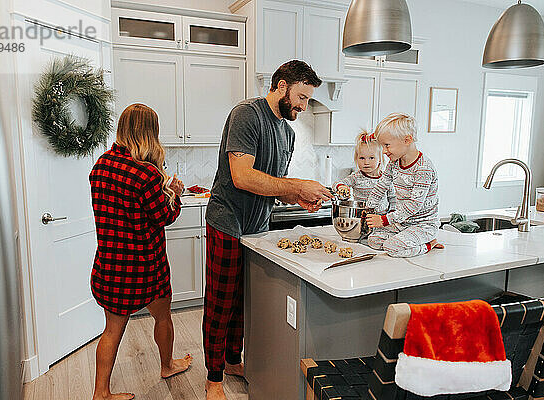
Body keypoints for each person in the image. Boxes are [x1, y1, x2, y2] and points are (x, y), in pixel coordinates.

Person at [203, 60, 332, 400]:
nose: (304, 107)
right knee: (221, 302)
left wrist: (297, 196)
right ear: (280, 86)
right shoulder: (247, 115)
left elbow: (271, 185)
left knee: (245, 302)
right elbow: (242, 177)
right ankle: (213, 377)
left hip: (259, 230)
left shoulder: (287, 131)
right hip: (228, 222)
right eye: (301, 97)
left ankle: (233, 360)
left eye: (307, 100)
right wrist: (297, 184)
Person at [89, 104, 192, 400]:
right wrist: (175, 194)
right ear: (151, 133)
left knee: (111, 330)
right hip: (146, 267)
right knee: (163, 317)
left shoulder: (101, 165)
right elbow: (164, 216)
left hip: (110, 264)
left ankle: (101, 393)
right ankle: (167, 365)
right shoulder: (145, 173)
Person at [365, 113, 444, 258]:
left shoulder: (423, 169)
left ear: (407, 140)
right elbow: (382, 184)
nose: (384, 151)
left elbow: (414, 205)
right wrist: (368, 207)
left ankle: (428, 244)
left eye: (387, 145)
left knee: (392, 248)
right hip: (402, 222)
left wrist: (384, 220)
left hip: (423, 225)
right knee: (374, 240)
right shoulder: (394, 162)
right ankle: (408, 241)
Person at [332, 130, 395, 214]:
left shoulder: (386, 178)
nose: (366, 162)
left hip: (382, 220)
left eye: (371, 158)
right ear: (356, 159)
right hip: (361, 218)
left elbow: (392, 198)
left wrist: (392, 214)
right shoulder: (356, 177)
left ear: (380, 159)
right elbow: (336, 184)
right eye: (362, 158)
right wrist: (341, 187)